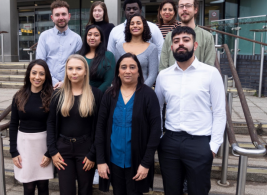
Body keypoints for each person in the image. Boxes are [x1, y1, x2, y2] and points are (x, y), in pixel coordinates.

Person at [155, 26, 226, 195]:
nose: (181, 44)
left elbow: (219, 112)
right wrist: (159, 137)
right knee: (171, 191)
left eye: (186, 40)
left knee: (198, 191)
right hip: (170, 141)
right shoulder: (163, 75)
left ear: (195, 45)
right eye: (176, 41)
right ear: (171, 47)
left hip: (200, 143)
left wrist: (214, 146)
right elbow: (156, 109)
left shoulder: (211, 73)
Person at [95, 53, 161, 195]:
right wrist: (100, 160)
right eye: (123, 67)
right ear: (118, 72)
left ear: (138, 71)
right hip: (114, 160)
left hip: (137, 161)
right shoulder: (109, 94)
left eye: (132, 67)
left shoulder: (148, 95)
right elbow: (100, 128)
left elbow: (155, 131)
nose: (128, 71)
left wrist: (146, 163)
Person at [47, 54, 103, 195]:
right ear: (66, 71)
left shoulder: (95, 94)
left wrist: (93, 154)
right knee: (66, 191)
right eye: (70, 68)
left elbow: (99, 127)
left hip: (85, 149)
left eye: (78, 68)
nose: (74, 72)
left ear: (85, 71)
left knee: (85, 190)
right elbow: (51, 124)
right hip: (63, 149)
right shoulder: (58, 95)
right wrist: (53, 151)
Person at [9, 59, 54, 195]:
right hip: (24, 145)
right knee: (28, 187)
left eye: (41, 74)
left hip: (43, 145)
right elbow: (13, 124)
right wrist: (13, 152)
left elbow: (54, 125)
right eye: (34, 73)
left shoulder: (52, 96)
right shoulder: (19, 96)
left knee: (43, 185)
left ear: (46, 76)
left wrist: (49, 153)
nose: (37, 77)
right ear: (29, 74)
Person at [36, 0, 82, 88]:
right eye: (57, 15)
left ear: (69, 16)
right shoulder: (44, 36)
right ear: (52, 18)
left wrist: (64, 82)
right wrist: (54, 82)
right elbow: (40, 62)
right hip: (47, 85)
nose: (61, 17)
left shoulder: (77, 39)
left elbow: (79, 65)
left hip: (69, 85)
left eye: (63, 14)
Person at [159, 0, 216, 71]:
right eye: (181, 6)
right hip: (172, 81)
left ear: (196, 9)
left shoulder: (207, 37)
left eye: (188, 6)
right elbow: (163, 67)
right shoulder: (169, 36)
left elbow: (209, 68)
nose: (184, 9)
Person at [114, 14, 158, 87]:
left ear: (144, 26)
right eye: (132, 23)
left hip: (143, 92)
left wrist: (141, 91)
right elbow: (116, 72)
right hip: (123, 91)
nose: (135, 26)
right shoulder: (119, 47)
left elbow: (152, 75)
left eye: (138, 23)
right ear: (128, 27)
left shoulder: (152, 48)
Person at [78, 25, 115, 93]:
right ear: (86, 38)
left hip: (99, 96)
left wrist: (94, 94)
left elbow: (108, 82)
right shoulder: (78, 56)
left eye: (96, 35)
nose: (92, 37)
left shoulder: (108, 56)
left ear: (101, 39)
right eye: (89, 35)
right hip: (79, 95)